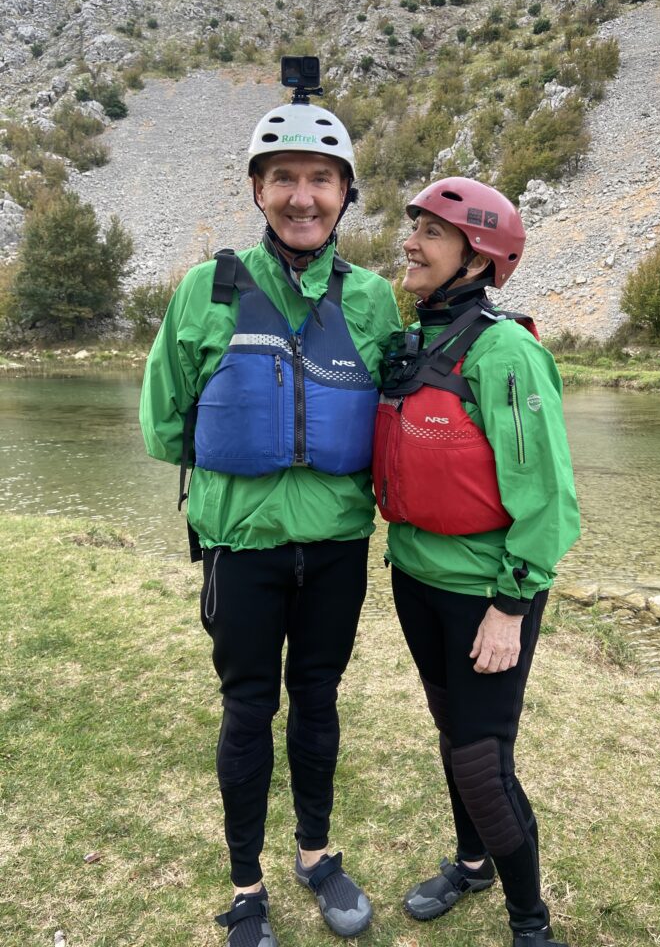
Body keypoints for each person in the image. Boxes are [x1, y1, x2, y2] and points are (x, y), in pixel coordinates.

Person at [140, 83, 400, 947]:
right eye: (283, 177)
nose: (302, 196)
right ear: (258, 190)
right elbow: (164, 420)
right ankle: (247, 885)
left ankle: (316, 856)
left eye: (321, 180)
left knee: (318, 702)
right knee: (248, 709)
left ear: (344, 193)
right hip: (240, 549)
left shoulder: (372, 301)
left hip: (333, 547)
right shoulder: (203, 291)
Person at [373, 177, 580, 946]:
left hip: (486, 594)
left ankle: (531, 924)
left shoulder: (508, 352)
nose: (411, 242)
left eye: (431, 231)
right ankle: (471, 864)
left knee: (483, 762)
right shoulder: (418, 341)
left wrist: (512, 604)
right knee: (450, 732)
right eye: (414, 226)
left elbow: (550, 501)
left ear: (478, 253)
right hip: (415, 577)